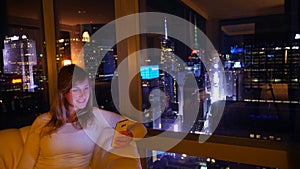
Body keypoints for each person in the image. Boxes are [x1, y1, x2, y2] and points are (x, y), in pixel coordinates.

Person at [17, 64, 147, 169]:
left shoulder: (95, 116)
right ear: (64, 93)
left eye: (86, 88)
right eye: (75, 90)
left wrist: (130, 136)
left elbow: (140, 127)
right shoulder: (43, 122)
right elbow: (26, 163)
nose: (83, 95)